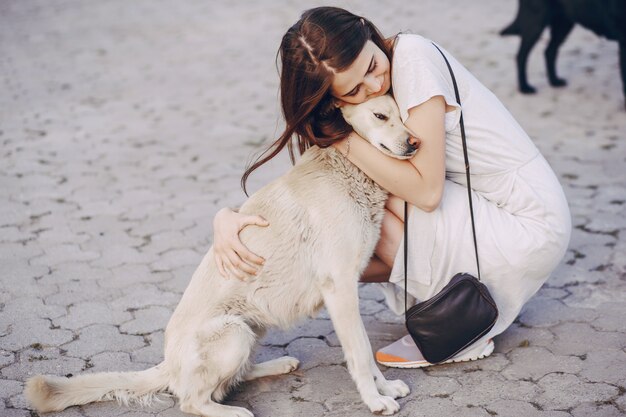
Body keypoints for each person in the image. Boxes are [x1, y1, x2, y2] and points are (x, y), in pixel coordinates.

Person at [211, 6, 571, 368]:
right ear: (333, 100)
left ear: (368, 32)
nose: (374, 86)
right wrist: (235, 225)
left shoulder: (413, 58)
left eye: (371, 67)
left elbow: (427, 193)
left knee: (362, 200)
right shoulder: (373, 92)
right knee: (337, 233)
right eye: (353, 91)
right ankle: (449, 301)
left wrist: (340, 139)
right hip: (485, 208)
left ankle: (461, 321)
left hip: (525, 219)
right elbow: (317, 219)